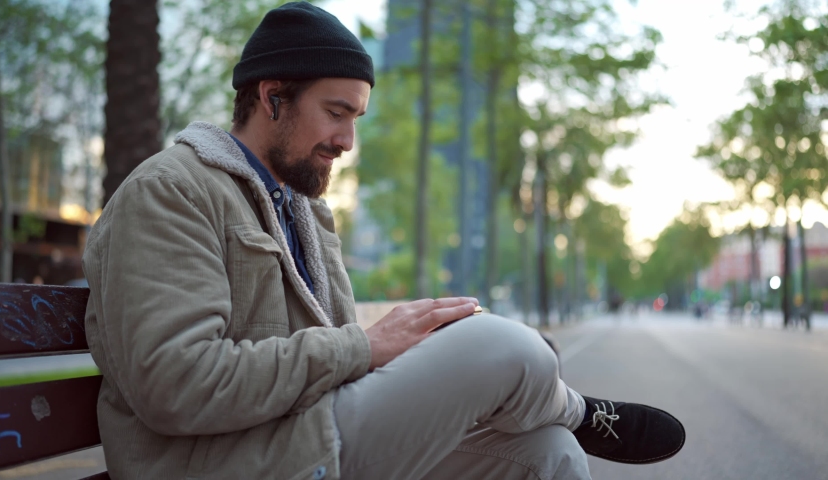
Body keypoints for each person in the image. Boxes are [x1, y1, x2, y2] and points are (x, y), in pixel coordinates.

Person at [82, 3, 684, 479]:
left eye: (357, 119)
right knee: (507, 348)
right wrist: (366, 349)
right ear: (272, 97)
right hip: (232, 463)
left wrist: (414, 346)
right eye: (336, 112)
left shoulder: (305, 212)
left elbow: (345, 361)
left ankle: (556, 414)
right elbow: (176, 385)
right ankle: (578, 411)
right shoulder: (172, 190)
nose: (347, 140)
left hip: (303, 437)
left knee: (547, 454)